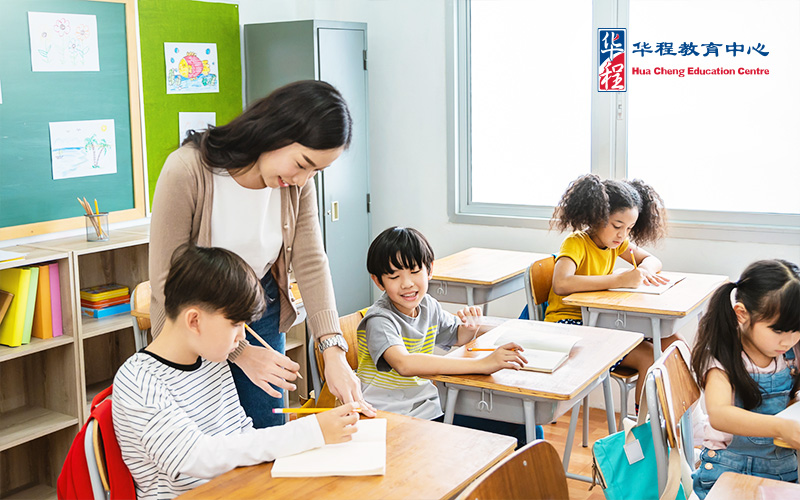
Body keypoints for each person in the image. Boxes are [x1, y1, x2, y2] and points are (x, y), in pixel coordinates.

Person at [149, 80, 375, 428]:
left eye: (316, 171)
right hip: (195, 319)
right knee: (210, 442)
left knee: (269, 436)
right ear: (276, 132)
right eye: (303, 163)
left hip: (260, 306)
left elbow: (311, 261)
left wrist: (333, 352)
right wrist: (238, 352)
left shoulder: (297, 185)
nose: (303, 179)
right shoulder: (187, 170)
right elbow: (166, 281)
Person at [113, 245, 360, 500]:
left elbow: (242, 434)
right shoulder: (138, 381)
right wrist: (308, 432)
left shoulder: (211, 359)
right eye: (236, 325)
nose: (243, 337)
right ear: (194, 321)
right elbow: (197, 457)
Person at [357, 226, 536, 447]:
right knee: (516, 426)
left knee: (525, 423)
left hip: (428, 407)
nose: (407, 283)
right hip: (389, 416)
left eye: (414, 271)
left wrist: (469, 328)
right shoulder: (379, 320)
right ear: (378, 281)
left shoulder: (428, 305)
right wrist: (483, 364)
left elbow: (455, 335)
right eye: (394, 276)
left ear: (429, 269)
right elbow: (404, 364)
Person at [544, 173, 679, 405]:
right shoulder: (577, 243)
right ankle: (642, 434)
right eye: (618, 226)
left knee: (673, 341)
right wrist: (616, 280)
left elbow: (653, 260)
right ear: (597, 218)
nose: (622, 235)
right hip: (569, 327)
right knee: (649, 356)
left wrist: (643, 272)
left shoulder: (616, 243)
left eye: (629, 228)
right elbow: (562, 283)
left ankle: (680, 421)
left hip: (600, 321)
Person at [690, 259, 800, 499]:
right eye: (778, 330)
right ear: (742, 314)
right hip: (727, 470)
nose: (788, 340)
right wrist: (782, 426)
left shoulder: (791, 351)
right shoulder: (722, 354)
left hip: (784, 470)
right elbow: (720, 414)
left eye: (797, 329)